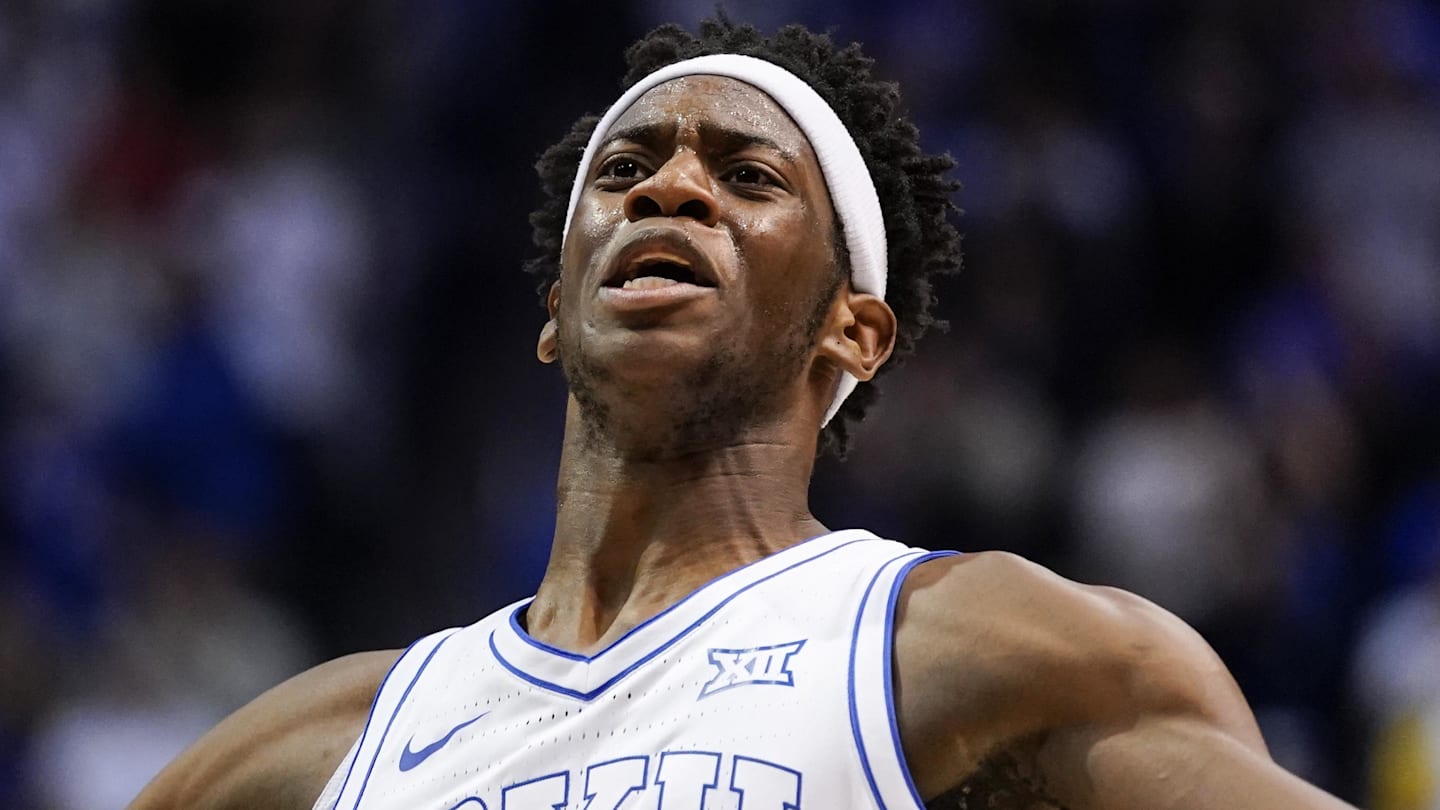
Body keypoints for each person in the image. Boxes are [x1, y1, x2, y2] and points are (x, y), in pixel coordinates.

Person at [131, 17, 1358, 810]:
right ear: (558, 311)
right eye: (625, 171)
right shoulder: (317, 749)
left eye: (747, 175)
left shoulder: (993, 653)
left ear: (853, 331)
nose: (668, 186)